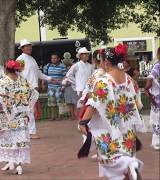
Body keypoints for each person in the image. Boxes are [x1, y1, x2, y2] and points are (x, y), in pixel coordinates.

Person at [78, 44, 144, 180]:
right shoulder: (127, 78)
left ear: (106, 62)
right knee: (122, 174)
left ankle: (130, 164)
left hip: (107, 129)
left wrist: (83, 122)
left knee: (109, 161)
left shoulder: (104, 80)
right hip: (127, 128)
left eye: (101, 60)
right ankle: (130, 164)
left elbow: (94, 103)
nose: (101, 63)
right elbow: (137, 103)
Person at [0, 60, 39, 175]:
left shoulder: (4, 82)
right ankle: (18, 165)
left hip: (6, 117)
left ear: (6, 69)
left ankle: (10, 161)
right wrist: (27, 108)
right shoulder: (23, 81)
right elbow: (33, 94)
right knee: (19, 140)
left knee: (7, 140)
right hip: (21, 117)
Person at [16, 39, 54, 139]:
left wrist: (49, 78)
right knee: (29, 110)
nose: (29, 47)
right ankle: (31, 132)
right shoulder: (20, 60)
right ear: (22, 48)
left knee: (30, 110)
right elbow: (16, 74)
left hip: (33, 88)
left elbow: (38, 73)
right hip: (25, 88)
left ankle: (27, 132)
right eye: (26, 46)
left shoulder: (32, 59)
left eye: (30, 46)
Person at [144, 47, 160, 150]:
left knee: (157, 120)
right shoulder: (157, 66)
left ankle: (156, 142)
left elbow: (150, 80)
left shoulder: (157, 65)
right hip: (157, 99)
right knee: (157, 120)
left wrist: (147, 90)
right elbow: (150, 80)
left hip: (157, 98)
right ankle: (156, 142)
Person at [43, 53, 66, 120]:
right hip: (50, 87)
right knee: (51, 102)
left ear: (58, 59)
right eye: (52, 58)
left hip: (59, 87)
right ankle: (53, 116)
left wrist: (63, 85)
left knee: (60, 102)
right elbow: (44, 76)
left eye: (55, 58)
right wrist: (43, 84)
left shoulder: (62, 66)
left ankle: (60, 116)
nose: (53, 59)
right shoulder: (47, 66)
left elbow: (65, 76)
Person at [61, 52, 77, 120]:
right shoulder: (63, 70)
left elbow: (75, 78)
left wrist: (68, 83)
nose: (67, 63)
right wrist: (63, 85)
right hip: (66, 88)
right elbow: (63, 78)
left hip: (73, 87)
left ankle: (76, 115)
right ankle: (72, 116)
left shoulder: (74, 69)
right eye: (65, 62)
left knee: (75, 102)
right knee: (69, 103)